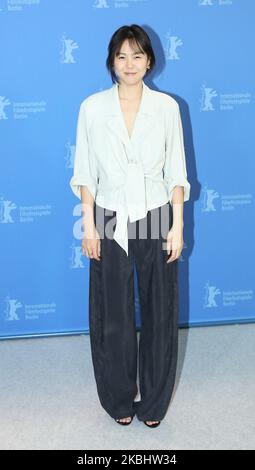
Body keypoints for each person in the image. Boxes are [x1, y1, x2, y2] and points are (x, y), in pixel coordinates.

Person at [70, 24, 191, 428]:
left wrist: (177, 226)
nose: (130, 64)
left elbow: (177, 171)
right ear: (111, 62)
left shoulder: (167, 108)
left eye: (137, 55)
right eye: (121, 56)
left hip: (156, 213)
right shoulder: (91, 108)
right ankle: (119, 399)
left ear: (150, 61)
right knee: (113, 316)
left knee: (159, 313)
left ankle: (153, 403)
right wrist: (89, 226)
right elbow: (85, 172)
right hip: (108, 215)